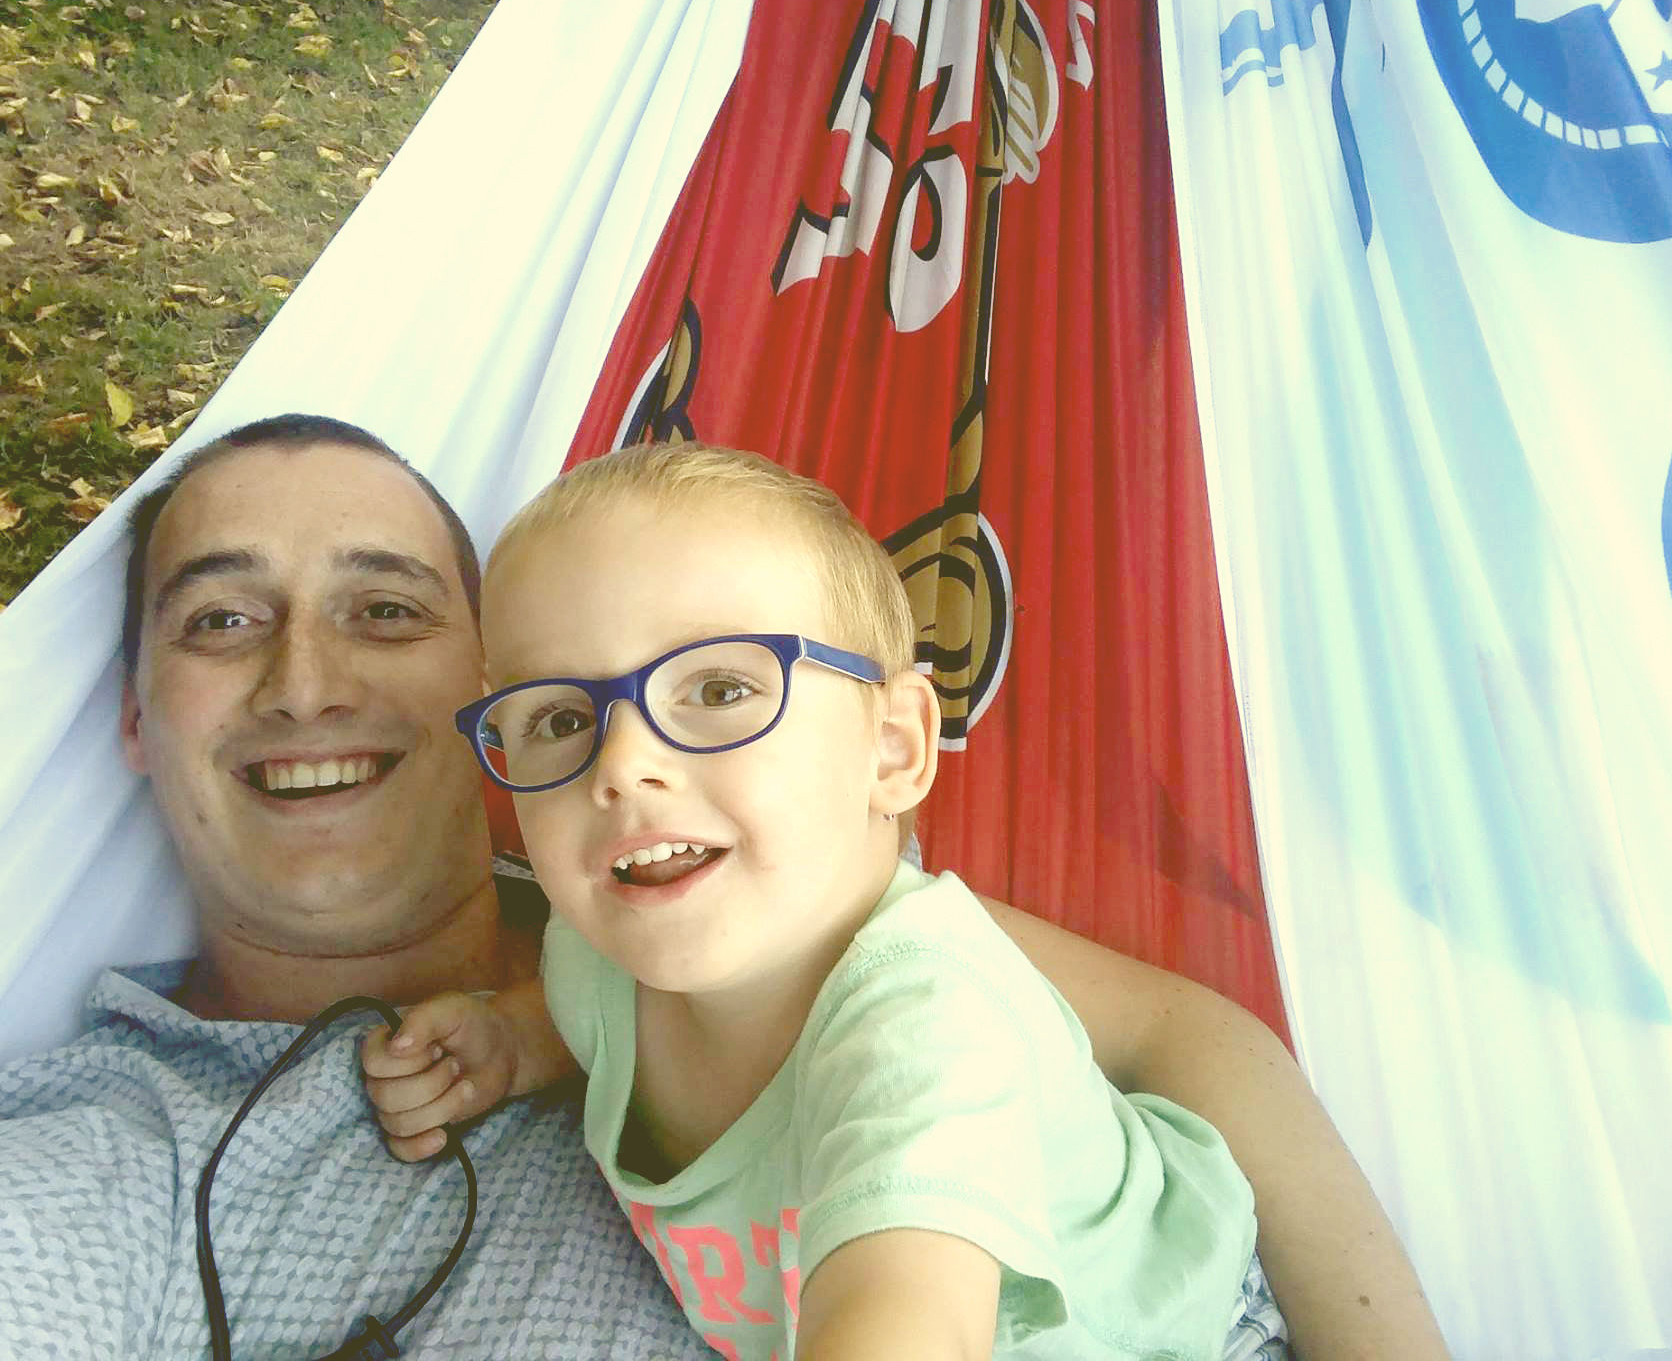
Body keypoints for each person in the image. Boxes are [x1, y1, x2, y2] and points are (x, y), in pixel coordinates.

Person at [0, 415, 1445, 1358]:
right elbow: (586, 1010)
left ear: (895, 748)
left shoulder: (899, 1001)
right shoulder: (604, 945)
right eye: (221, 620)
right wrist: (508, 1040)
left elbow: (906, 1304)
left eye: (386, 610)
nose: (627, 764)